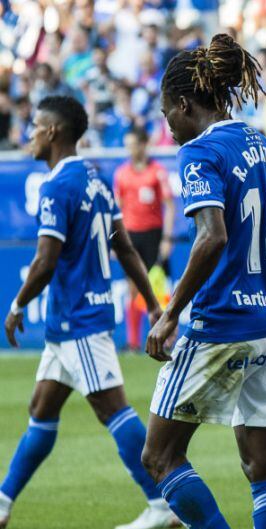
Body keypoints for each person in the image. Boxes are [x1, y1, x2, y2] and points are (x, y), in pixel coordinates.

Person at [140, 34, 266, 529]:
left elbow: (211, 237)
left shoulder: (200, 152)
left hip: (222, 323)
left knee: (159, 457)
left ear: (184, 103)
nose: (167, 125)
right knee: (264, 465)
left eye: (166, 112)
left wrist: (170, 313)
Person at [0, 95, 177, 529]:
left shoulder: (57, 186)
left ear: (54, 132)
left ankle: (163, 505)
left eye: (36, 127)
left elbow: (45, 260)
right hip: (70, 323)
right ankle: (3, 503)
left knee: (113, 410)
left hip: (79, 320)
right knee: (42, 409)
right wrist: (153, 304)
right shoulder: (96, 181)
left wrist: (18, 303)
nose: (30, 135)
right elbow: (126, 247)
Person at [114, 126, 176, 352]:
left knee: (158, 286)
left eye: (133, 144)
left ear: (143, 144)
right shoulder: (121, 174)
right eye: (127, 145)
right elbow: (117, 210)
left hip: (153, 235)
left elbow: (169, 206)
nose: (130, 149)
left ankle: (166, 338)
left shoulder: (157, 171)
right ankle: (133, 341)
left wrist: (167, 238)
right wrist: (117, 240)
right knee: (132, 288)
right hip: (131, 237)